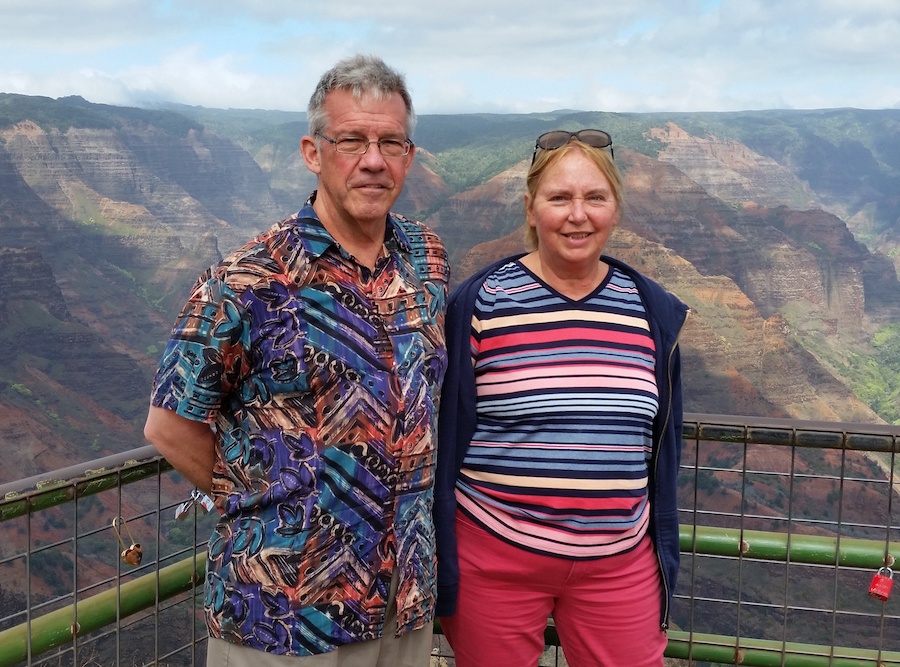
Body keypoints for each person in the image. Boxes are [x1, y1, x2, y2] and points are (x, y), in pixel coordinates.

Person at [144, 54, 449, 666]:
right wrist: (269, 502)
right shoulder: (248, 279)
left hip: (402, 600)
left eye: (391, 142)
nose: (373, 159)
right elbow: (169, 425)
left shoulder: (426, 259)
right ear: (313, 152)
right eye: (352, 140)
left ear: (409, 157)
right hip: (283, 614)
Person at [434, 129, 688, 666]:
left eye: (595, 197)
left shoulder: (652, 311)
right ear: (531, 208)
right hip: (494, 558)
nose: (578, 215)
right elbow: (447, 429)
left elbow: (661, 441)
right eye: (559, 198)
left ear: (615, 208)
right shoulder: (480, 304)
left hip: (619, 561)